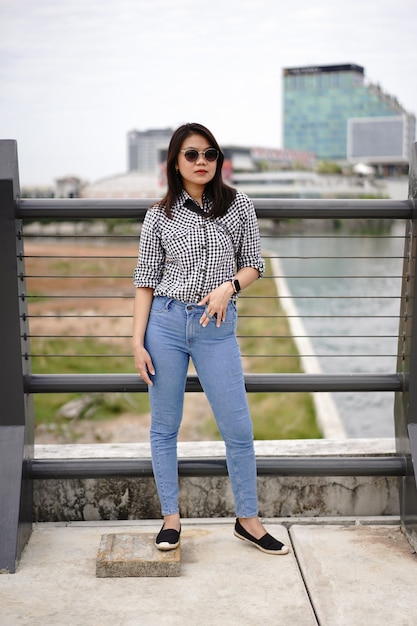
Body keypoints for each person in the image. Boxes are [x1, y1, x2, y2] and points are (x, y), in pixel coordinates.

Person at [132, 122, 289, 556]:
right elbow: (145, 281)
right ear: (175, 162)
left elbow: (254, 263)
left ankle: (248, 520)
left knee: (238, 428)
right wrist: (136, 341)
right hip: (163, 324)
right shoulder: (158, 215)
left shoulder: (238, 205)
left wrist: (229, 287)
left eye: (209, 154)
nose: (201, 162)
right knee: (165, 426)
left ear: (218, 160)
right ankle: (170, 518)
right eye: (191, 154)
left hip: (215, 328)